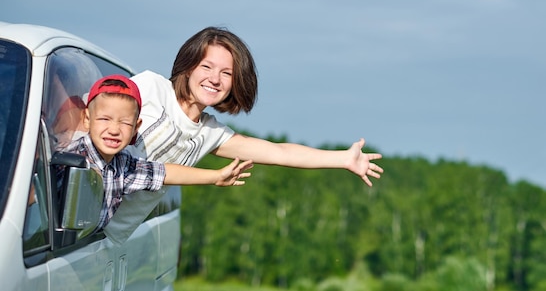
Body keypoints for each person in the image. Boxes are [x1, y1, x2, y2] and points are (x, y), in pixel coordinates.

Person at [104, 26, 384, 244]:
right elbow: (91, 114)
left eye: (227, 73)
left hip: (105, 239)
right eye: (207, 67)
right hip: (77, 223)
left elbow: (279, 152)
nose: (215, 79)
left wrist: (343, 159)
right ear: (188, 67)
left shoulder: (210, 133)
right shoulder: (150, 88)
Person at [59, 75, 253, 231]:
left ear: (136, 127)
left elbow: (166, 173)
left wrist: (217, 176)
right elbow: (35, 189)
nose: (114, 129)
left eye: (125, 123)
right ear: (86, 119)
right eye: (104, 119)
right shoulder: (72, 158)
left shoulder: (124, 166)